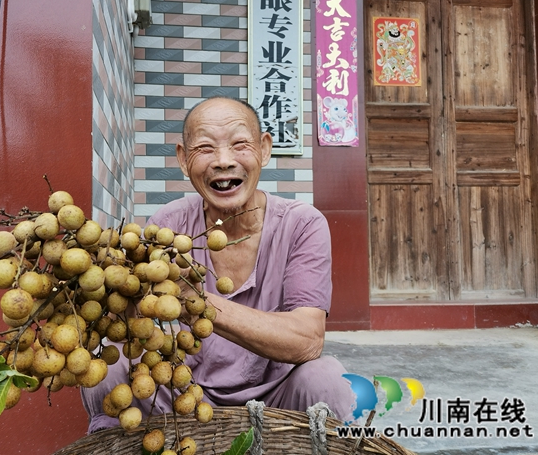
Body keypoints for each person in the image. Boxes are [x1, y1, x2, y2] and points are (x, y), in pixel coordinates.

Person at [81, 96, 355, 433]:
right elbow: (136, 323)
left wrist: (195, 302)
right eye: (206, 148)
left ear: (264, 149)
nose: (224, 161)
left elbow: (307, 340)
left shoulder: (301, 224)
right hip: (183, 394)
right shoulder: (168, 225)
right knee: (107, 366)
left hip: (276, 399)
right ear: (183, 159)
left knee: (327, 379)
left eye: (240, 144)